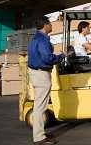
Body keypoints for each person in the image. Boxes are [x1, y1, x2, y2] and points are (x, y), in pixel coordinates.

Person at [28, 16, 64, 145]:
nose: (51, 25)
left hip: (36, 73)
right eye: (50, 23)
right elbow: (47, 58)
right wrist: (61, 56)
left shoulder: (36, 38)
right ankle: (39, 138)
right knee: (40, 106)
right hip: (41, 74)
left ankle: (40, 133)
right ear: (45, 25)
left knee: (39, 105)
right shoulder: (42, 40)